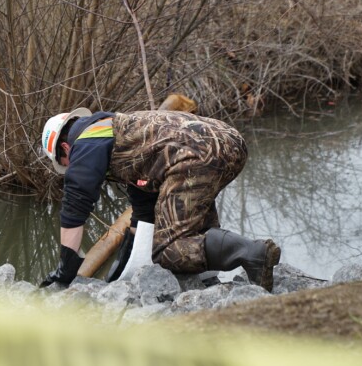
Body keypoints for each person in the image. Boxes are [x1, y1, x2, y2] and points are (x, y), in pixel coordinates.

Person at [39, 107, 281, 291]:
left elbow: (74, 205)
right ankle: (211, 278)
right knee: (196, 228)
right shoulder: (118, 134)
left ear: (65, 148)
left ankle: (254, 253)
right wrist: (120, 274)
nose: (70, 168)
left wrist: (65, 268)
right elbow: (144, 211)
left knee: (168, 250)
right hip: (228, 141)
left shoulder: (85, 141)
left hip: (194, 154)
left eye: (65, 164)